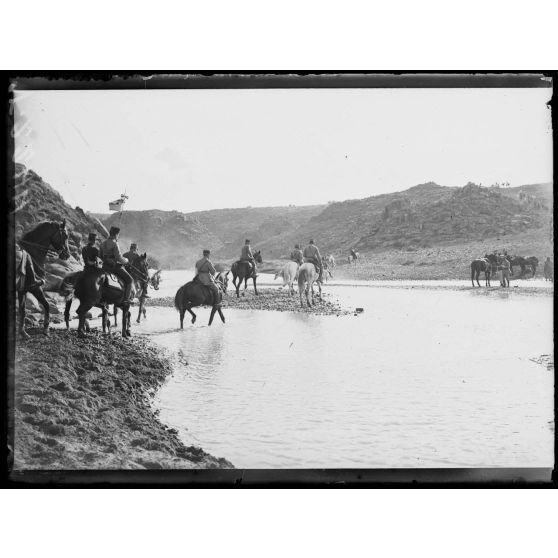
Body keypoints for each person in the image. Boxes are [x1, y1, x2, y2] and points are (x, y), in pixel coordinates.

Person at [99, 226, 134, 304]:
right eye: (118, 235)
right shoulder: (115, 243)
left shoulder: (102, 244)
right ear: (116, 234)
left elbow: (100, 256)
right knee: (130, 280)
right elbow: (119, 258)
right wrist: (126, 260)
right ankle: (126, 299)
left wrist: (107, 260)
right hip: (114, 268)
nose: (118, 236)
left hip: (105, 267)